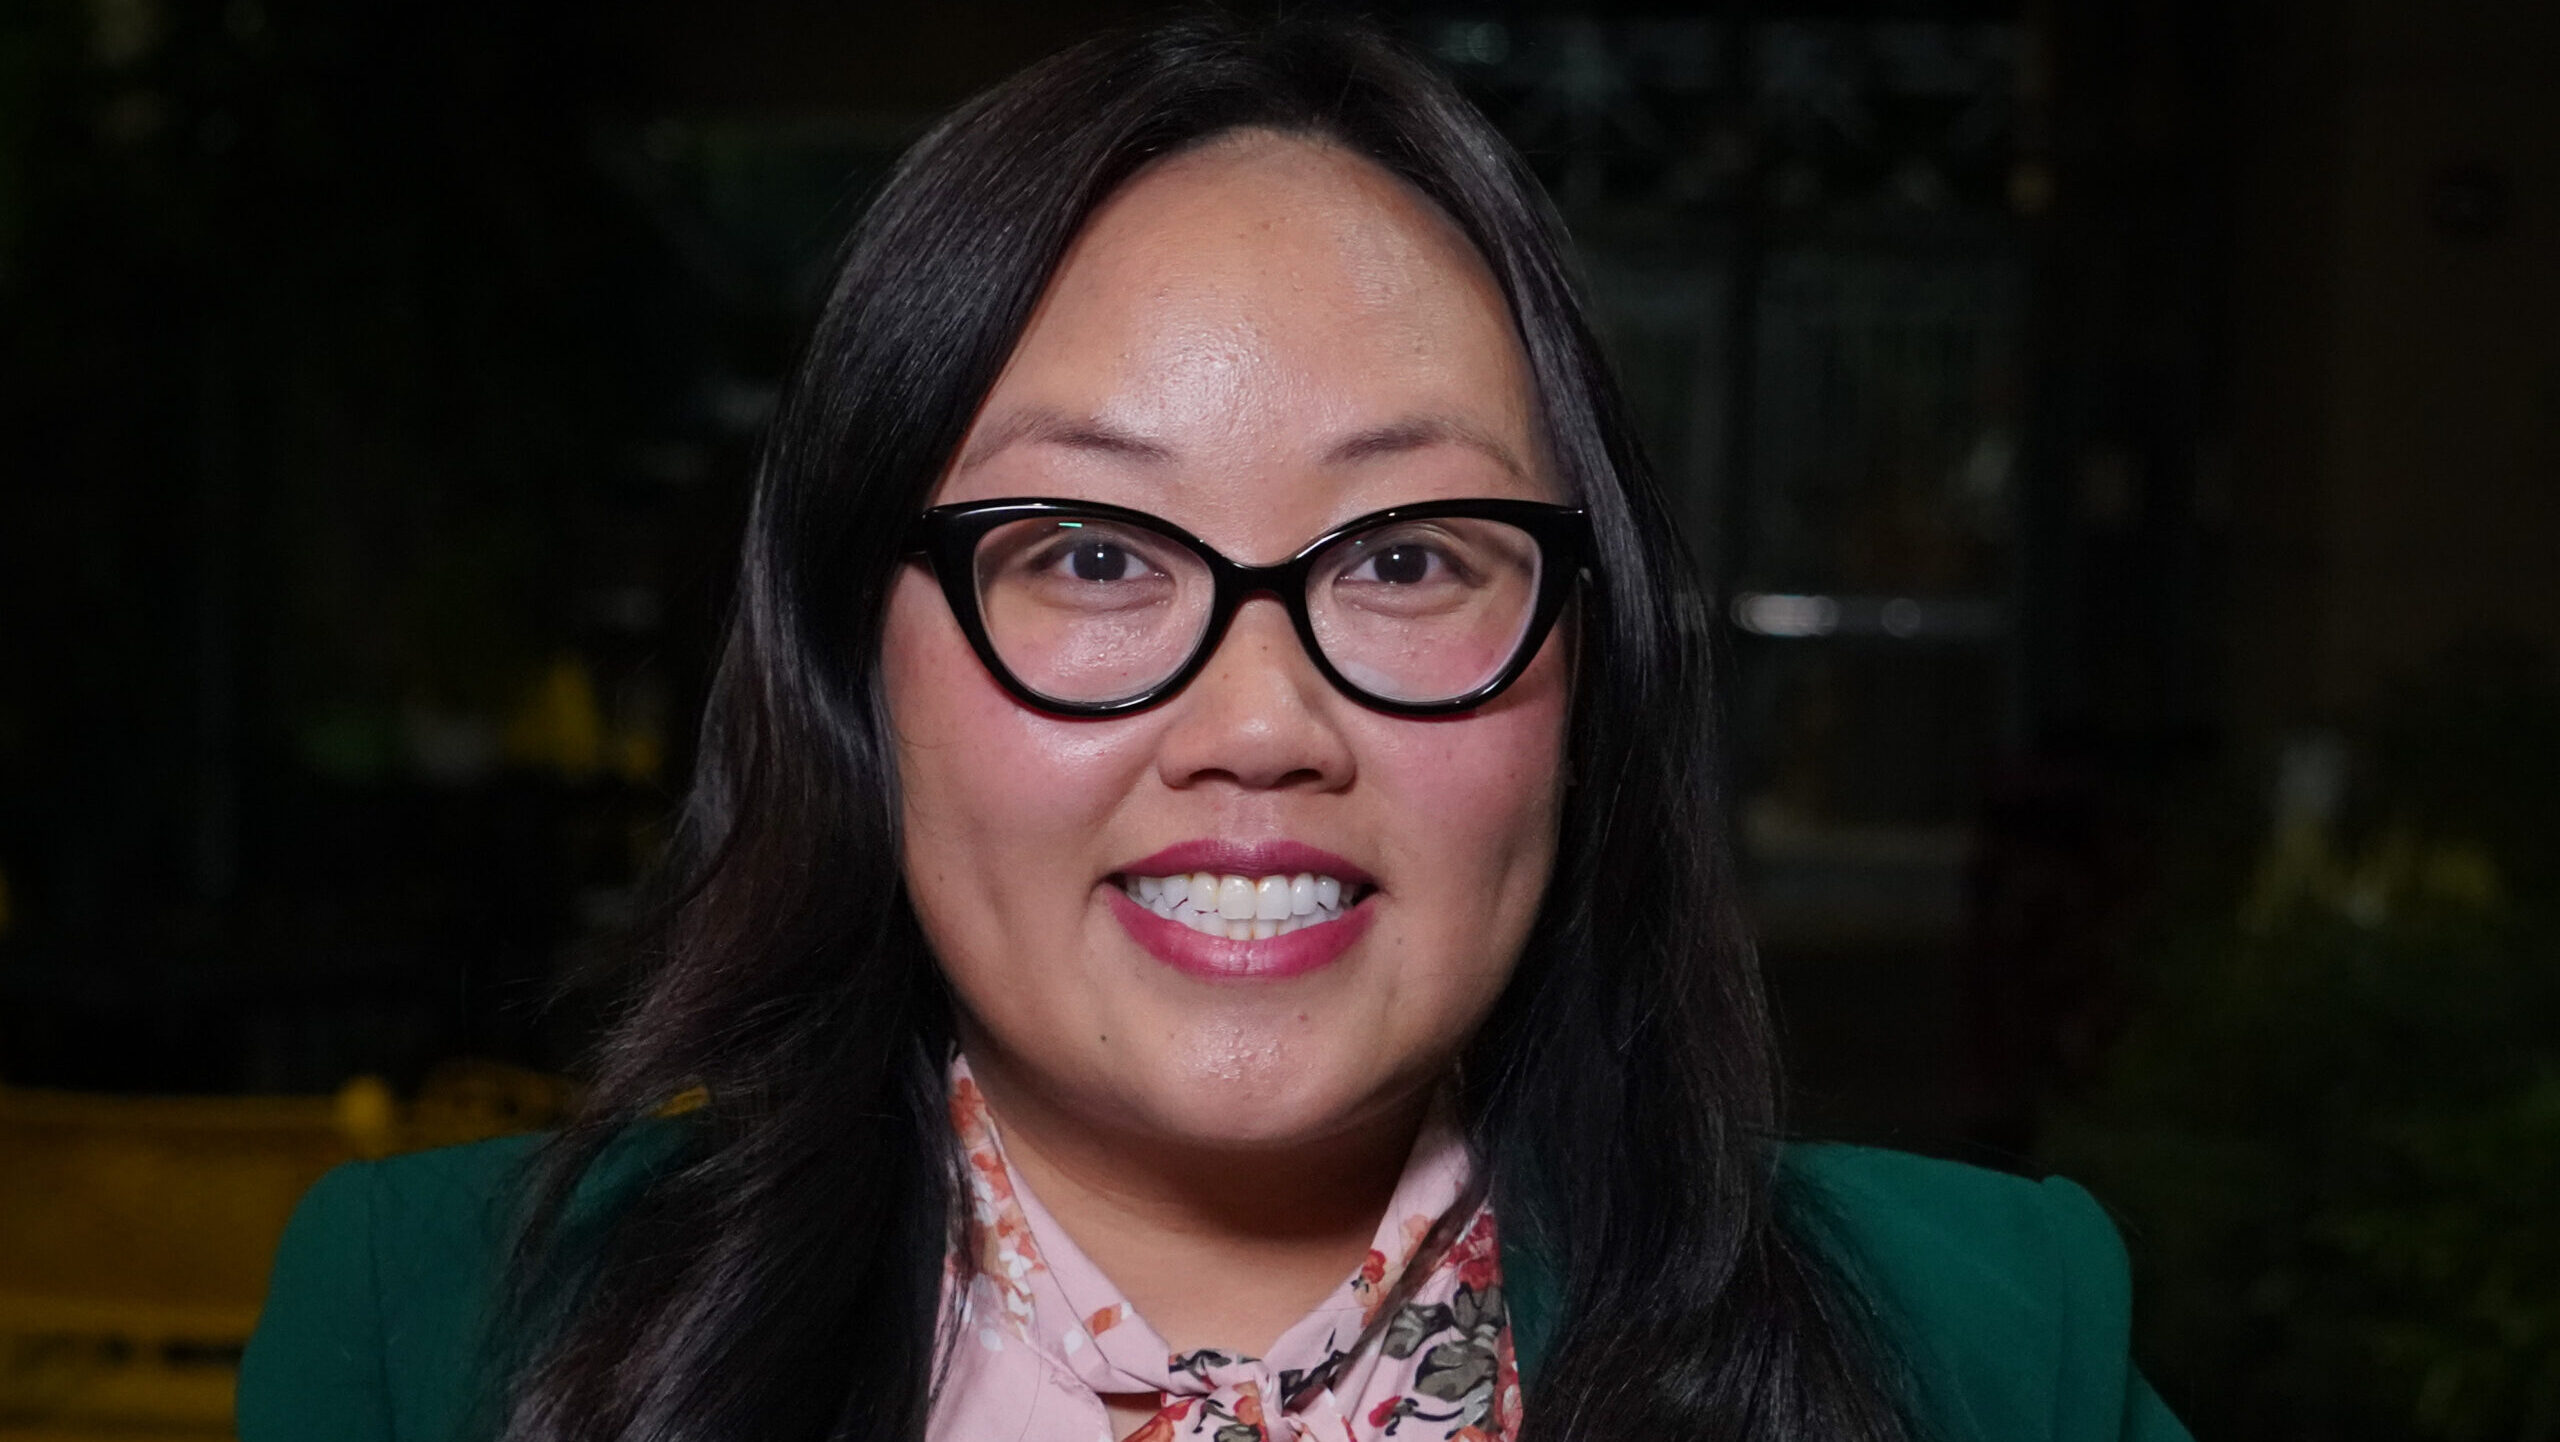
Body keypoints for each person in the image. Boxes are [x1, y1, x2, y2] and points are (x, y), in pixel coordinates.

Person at [238, 16, 2190, 1442]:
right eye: (1090, 555)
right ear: (856, 660)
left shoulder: (1982, 1343)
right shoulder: (449, 1335)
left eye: (1407, 557)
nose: (1259, 722)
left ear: (1588, 673)